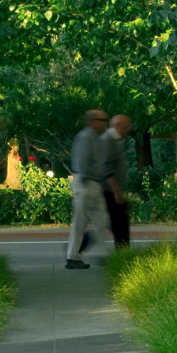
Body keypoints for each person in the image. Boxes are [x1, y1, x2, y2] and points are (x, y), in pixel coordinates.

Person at [65, 109, 112, 269]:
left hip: (93, 183)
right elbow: (82, 161)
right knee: (80, 222)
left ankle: (99, 254)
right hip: (86, 183)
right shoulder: (86, 137)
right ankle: (72, 257)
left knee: (102, 220)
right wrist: (84, 185)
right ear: (93, 121)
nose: (105, 123)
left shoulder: (96, 138)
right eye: (102, 120)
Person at [101, 114, 132, 247]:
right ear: (118, 125)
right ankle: (123, 253)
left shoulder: (117, 140)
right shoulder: (108, 140)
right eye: (126, 126)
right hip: (109, 190)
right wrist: (116, 190)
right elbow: (106, 167)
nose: (128, 129)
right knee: (120, 223)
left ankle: (123, 250)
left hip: (111, 190)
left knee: (117, 222)